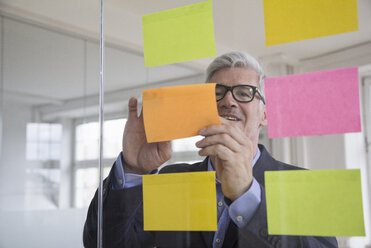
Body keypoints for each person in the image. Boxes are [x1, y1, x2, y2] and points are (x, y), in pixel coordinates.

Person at [83, 51, 338, 248]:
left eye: (244, 93)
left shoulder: (303, 186)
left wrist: (246, 197)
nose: (228, 100)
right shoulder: (172, 181)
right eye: (217, 93)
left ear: (264, 115)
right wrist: (133, 170)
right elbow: (103, 243)